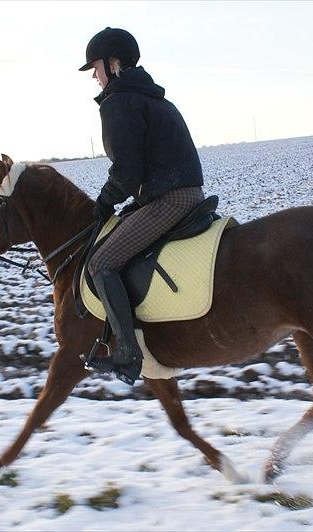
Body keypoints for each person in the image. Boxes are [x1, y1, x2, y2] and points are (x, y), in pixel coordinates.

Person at [80, 27, 205, 385]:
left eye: (96, 67)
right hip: (181, 192)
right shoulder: (154, 97)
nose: (94, 75)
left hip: (169, 199)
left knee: (101, 263)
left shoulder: (119, 102)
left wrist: (103, 203)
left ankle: (127, 354)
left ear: (113, 63)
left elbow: (126, 169)